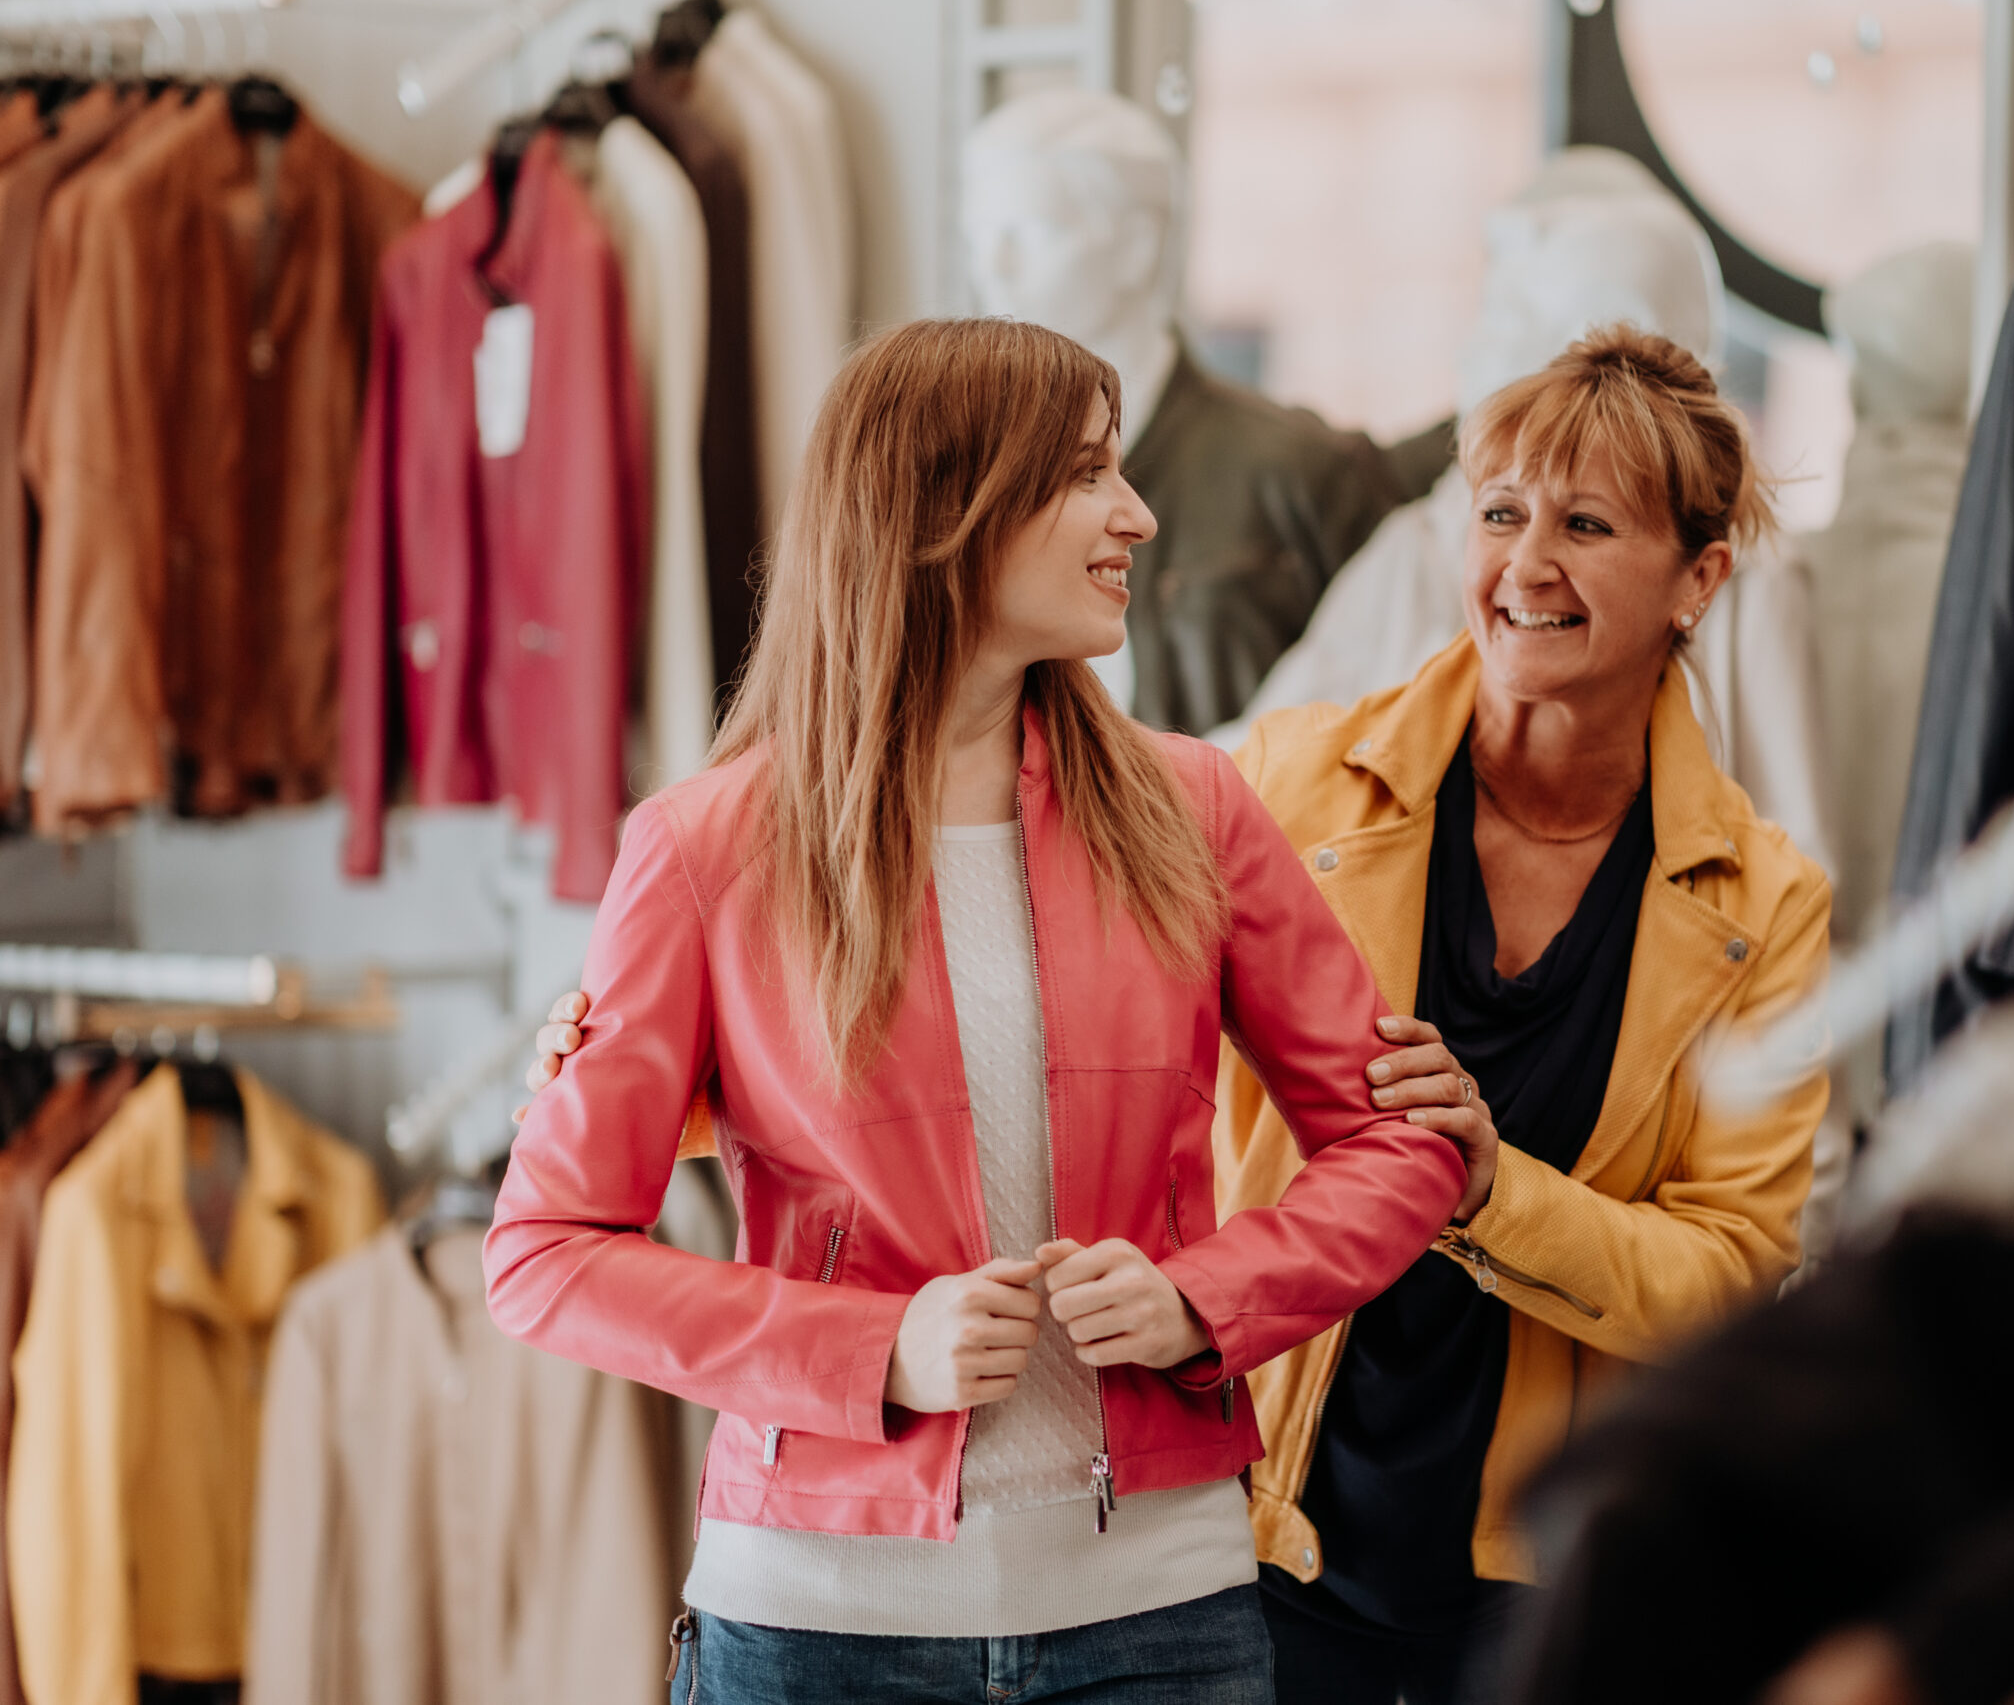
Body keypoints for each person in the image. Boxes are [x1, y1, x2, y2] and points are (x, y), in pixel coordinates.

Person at [522, 323, 1830, 1703]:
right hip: (824, 1601)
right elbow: (558, 1240)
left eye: (1587, 523)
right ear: (950, 507)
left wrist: (1203, 1299)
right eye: (1091, 474)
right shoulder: (708, 845)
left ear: (1701, 579)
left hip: (1178, 1598)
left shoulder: (1193, 808)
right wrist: (856, 1328)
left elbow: (1422, 1156)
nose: (1140, 513)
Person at [1222, 324, 1830, 1703]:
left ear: (1700, 579)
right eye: (1501, 514)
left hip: (1543, 1583)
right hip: (1260, 1538)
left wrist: (1493, 1186)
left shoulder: (1766, 904)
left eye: (1586, 523)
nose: (1527, 564)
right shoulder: (1289, 786)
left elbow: (1730, 1277)